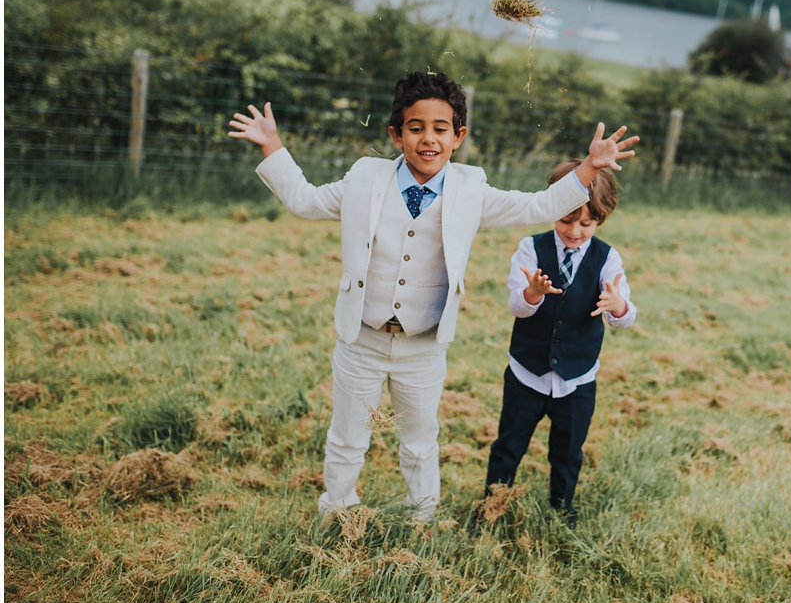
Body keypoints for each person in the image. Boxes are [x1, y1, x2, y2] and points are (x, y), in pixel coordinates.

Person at [227, 70, 638, 521]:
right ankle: (337, 512)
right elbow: (305, 201)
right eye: (416, 127)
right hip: (360, 338)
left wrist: (587, 170)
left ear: (458, 136)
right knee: (347, 435)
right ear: (396, 134)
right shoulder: (365, 177)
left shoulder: (471, 190)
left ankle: (421, 516)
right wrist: (272, 146)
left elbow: (535, 206)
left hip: (423, 345)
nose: (428, 139)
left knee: (421, 439)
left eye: (440, 129)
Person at [484, 160, 636, 529]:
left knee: (568, 451)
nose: (574, 231)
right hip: (527, 374)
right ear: (553, 210)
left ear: (600, 219)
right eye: (566, 220)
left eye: (586, 223)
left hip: (577, 381)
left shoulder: (607, 258)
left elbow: (624, 315)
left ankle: (561, 509)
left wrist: (619, 306)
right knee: (509, 444)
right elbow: (517, 307)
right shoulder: (530, 249)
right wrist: (533, 293)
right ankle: (491, 505)